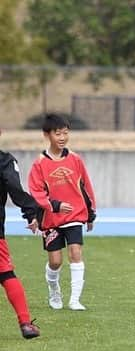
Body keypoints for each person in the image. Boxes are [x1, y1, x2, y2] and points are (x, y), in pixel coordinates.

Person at [28, 113, 96, 311]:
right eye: (58, 133)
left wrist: (90, 213)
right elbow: (36, 191)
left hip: (74, 216)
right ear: (47, 135)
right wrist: (54, 206)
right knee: (55, 261)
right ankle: (53, 289)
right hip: (51, 219)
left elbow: (86, 187)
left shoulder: (75, 159)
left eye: (66, 133)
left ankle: (75, 300)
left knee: (76, 252)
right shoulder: (40, 163)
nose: (62, 137)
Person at [0, 129, 40, 339]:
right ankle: (25, 323)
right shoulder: (4, 161)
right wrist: (31, 212)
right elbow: (15, 188)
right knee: (6, 274)